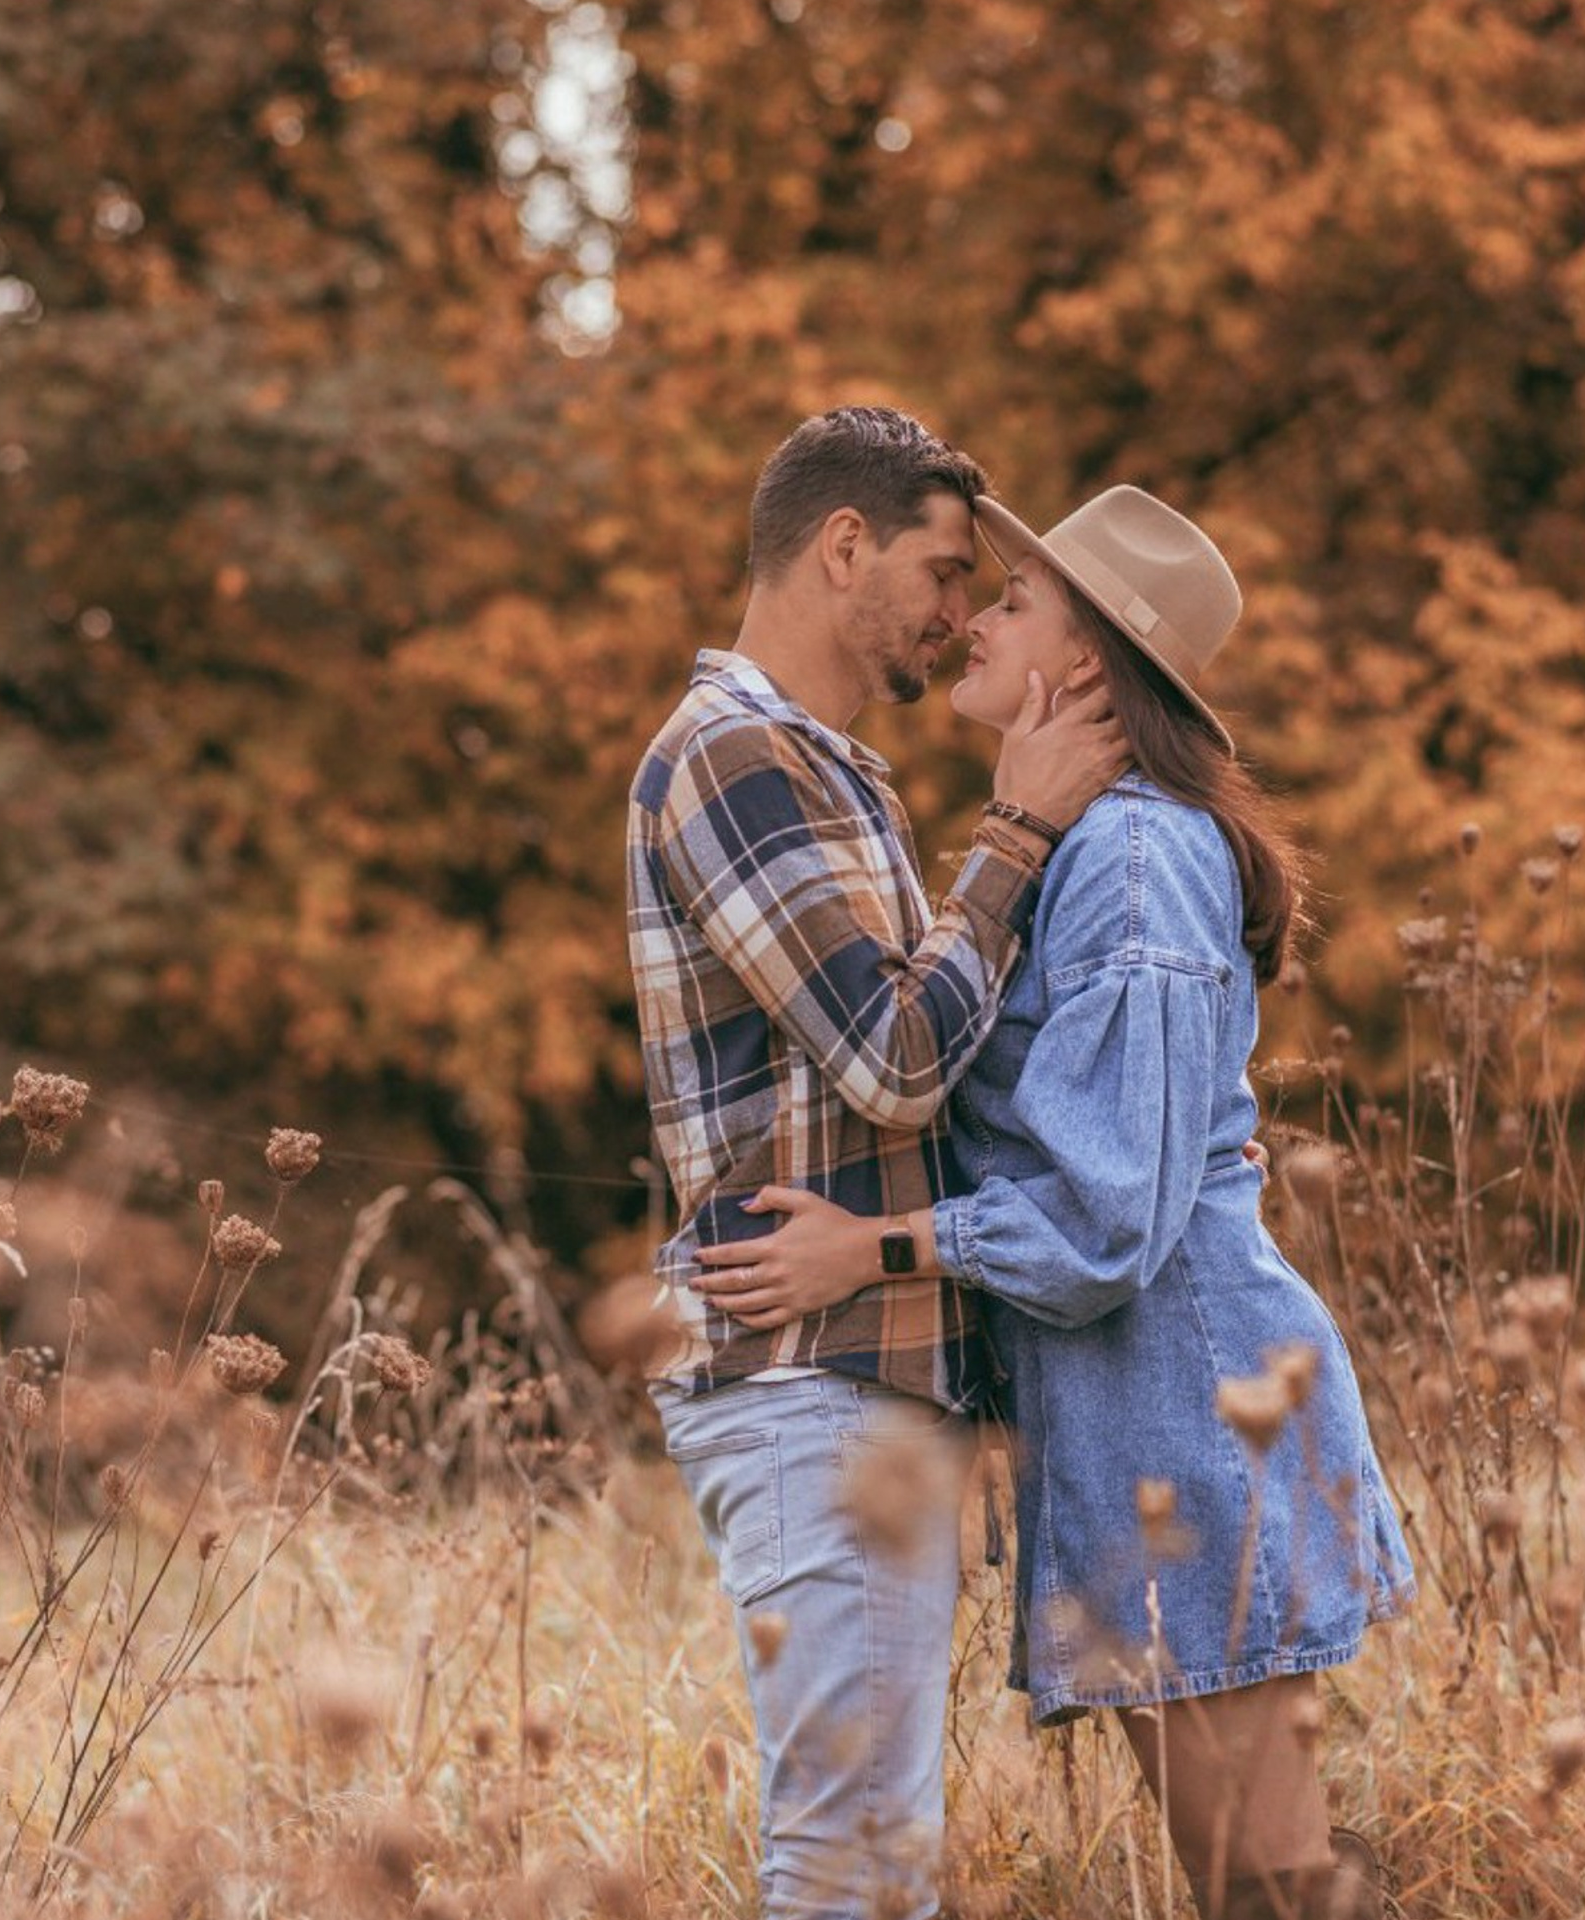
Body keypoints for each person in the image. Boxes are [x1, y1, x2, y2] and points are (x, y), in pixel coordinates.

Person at [695, 485, 1416, 1920]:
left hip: (1200, 1421)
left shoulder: (1137, 859)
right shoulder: (1079, 850)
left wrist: (877, 1247)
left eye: (1012, 603)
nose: (971, 617)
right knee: (1256, 1884)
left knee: (1272, 1890)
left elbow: (1108, 1220)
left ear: (1085, 666)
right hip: (1140, 1425)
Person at [626, 408, 1129, 1920]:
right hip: (808, 1382)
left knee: (878, 1857)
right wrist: (1023, 831)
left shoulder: (837, 776)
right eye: (940, 569)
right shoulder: (730, 759)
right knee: (848, 1866)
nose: (960, 611)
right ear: (842, 547)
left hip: (869, 1375)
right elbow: (898, 1064)